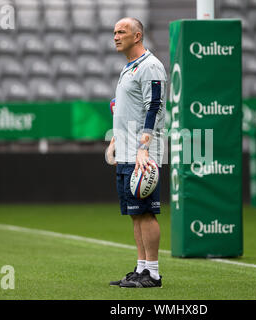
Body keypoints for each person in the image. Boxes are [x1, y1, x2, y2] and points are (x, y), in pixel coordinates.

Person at [106, 17, 167, 288]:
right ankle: (141, 268)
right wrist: (115, 140)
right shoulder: (128, 68)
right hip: (126, 150)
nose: (116, 36)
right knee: (135, 212)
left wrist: (144, 148)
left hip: (143, 153)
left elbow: (153, 107)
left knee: (146, 211)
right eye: (115, 32)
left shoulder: (150, 66)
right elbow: (124, 107)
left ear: (138, 36)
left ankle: (153, 273)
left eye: (122, 32)